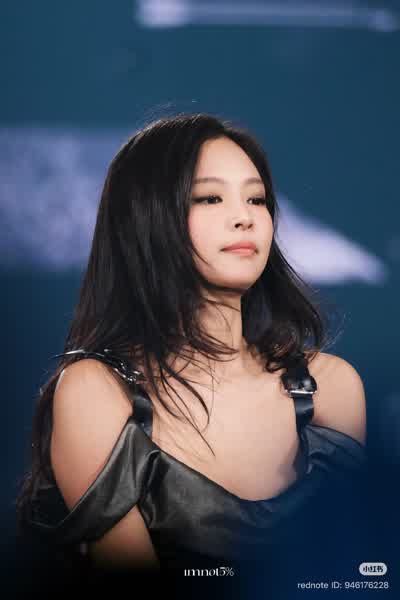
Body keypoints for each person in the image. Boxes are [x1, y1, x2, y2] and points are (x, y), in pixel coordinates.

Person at [15, 112, 368, 598]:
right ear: (147, 217)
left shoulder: (331, 387)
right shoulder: (97, 390)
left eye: (256, 199)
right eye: (210, 198)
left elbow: (349, 574)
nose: (245, 216)